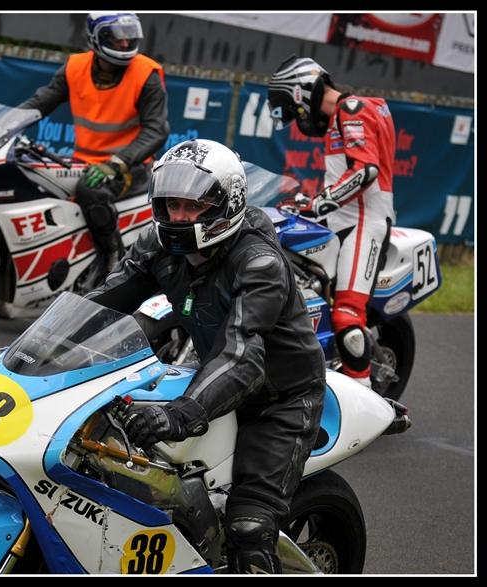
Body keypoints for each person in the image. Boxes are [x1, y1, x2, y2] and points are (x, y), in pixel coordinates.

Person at [87, 139, 326, 574]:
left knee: (249, 529)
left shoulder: (258, 263)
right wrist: (32, 350)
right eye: (171, 204)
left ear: (227, 202)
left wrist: (180, 413)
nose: (179, 217)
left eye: (193, 206)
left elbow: (243, 354)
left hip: (278, 400)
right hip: (212, 376)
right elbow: (99, 303)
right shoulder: (158, 245)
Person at [267, 55, 396, 388]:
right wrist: (310, 204)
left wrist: (320, 202)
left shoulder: (352, 108)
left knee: (346, 316)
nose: (298, 120)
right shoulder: (346, 113)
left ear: (301, 93)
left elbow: (365, 170)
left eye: (292, 110)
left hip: (364, 225)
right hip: (343, 222)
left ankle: (365, 403)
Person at [19, 11, 170, 277]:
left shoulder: (146, 74)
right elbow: (40, 102)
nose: (125, 44)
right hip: (81, 163)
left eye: (129, 37)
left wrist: (119, 162)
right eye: (117, 37)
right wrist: (6, 123)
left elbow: (157, 130)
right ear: (95, 38)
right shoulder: (74, 67)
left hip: (129, 167)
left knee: (90, 190)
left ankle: (111, 257)